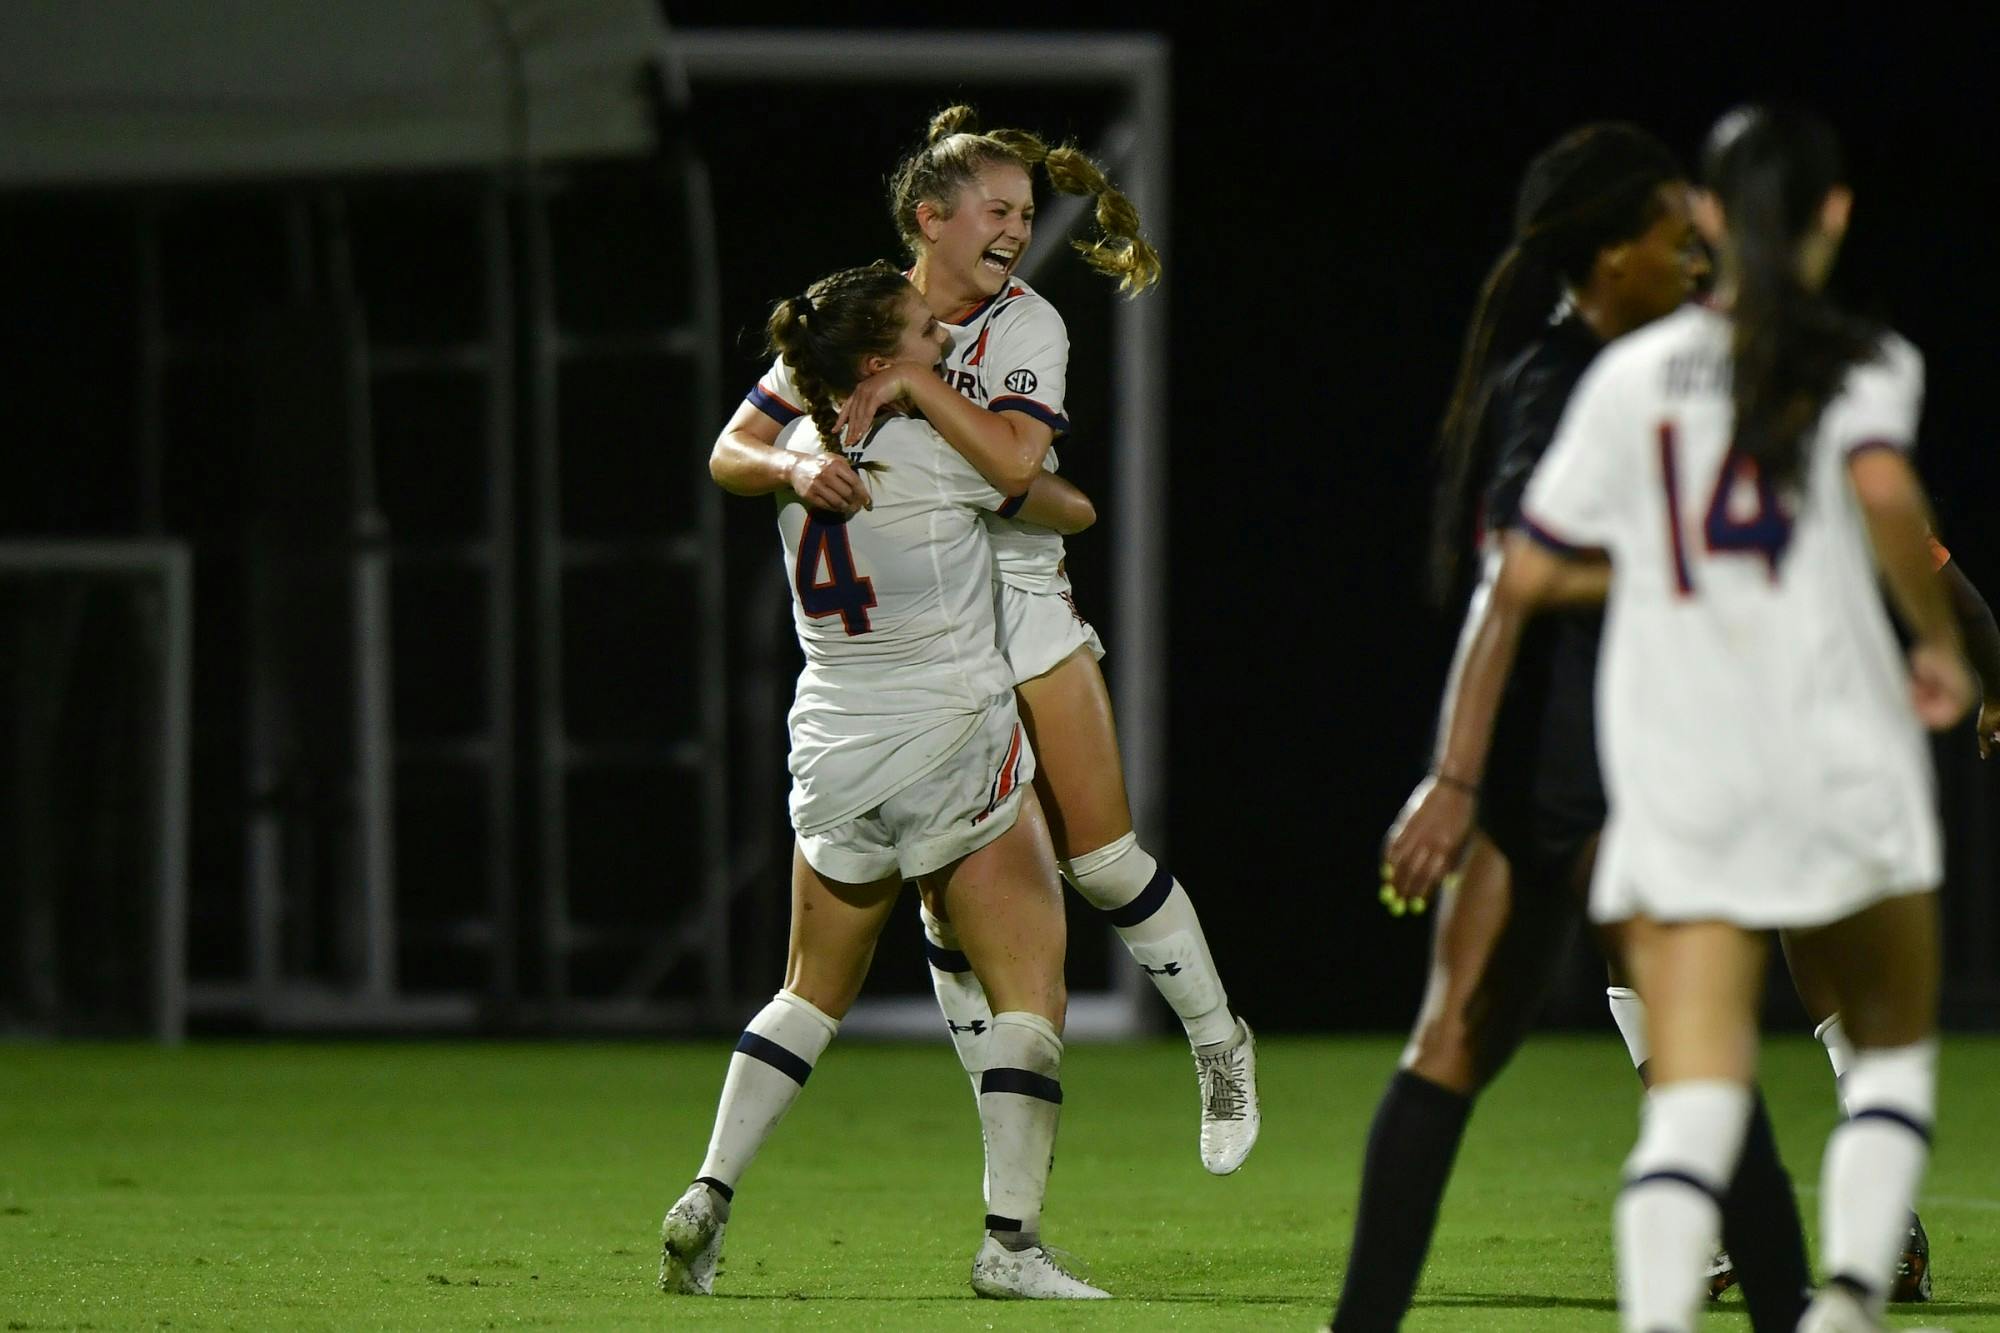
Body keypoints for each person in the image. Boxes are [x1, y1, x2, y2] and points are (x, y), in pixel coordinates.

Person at [1382, 105, 1967, 1333]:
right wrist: (1942, 650)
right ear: (1833, 213)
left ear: (1705, 214)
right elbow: (1884, 501)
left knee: (1695, 1093)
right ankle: (1854, 1288)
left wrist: (1456, 767)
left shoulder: (1630, 378)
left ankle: (1673, 1295)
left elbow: (1521, 579)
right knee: (1888, 1054)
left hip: (1678, 769)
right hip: (1830, 751)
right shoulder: (1860, 361)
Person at [710, 106, 1259, 1175]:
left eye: (1023, 213)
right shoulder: (864, 312)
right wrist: (786, 466)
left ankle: (1217, 1042)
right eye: (997, 211)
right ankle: (1000, 1137)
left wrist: (915, 384)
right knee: (943, 888)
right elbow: (732, 446)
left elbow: (1018, 473)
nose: (1014, 228)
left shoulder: (1025, 325)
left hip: (1017, 603)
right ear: (932, 218)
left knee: (1099, 860)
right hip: (915, 637)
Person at [1329, 123, 1813, 1333]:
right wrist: (1450, 778)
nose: (1693, 258)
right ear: (1607, 259)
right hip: (1579, 760)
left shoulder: (1650, 370)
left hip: (1567, 761)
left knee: (1458, 1044)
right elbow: (1515, 583)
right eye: (1669, 239)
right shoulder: (1562, 383)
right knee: (1674, 1052)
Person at [661, 263, 1110, 1301]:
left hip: (831, 746)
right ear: (878, 363)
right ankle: (1010, 1244)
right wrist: (938, 405)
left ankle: (708, 1191)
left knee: (807, 993)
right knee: (1030, 989)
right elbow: (1069, 508)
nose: (944, 340)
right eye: (922, 333)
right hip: (945, 734)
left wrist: (799, 453)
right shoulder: (933, 448)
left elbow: (738, 456)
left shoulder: (802, 451)